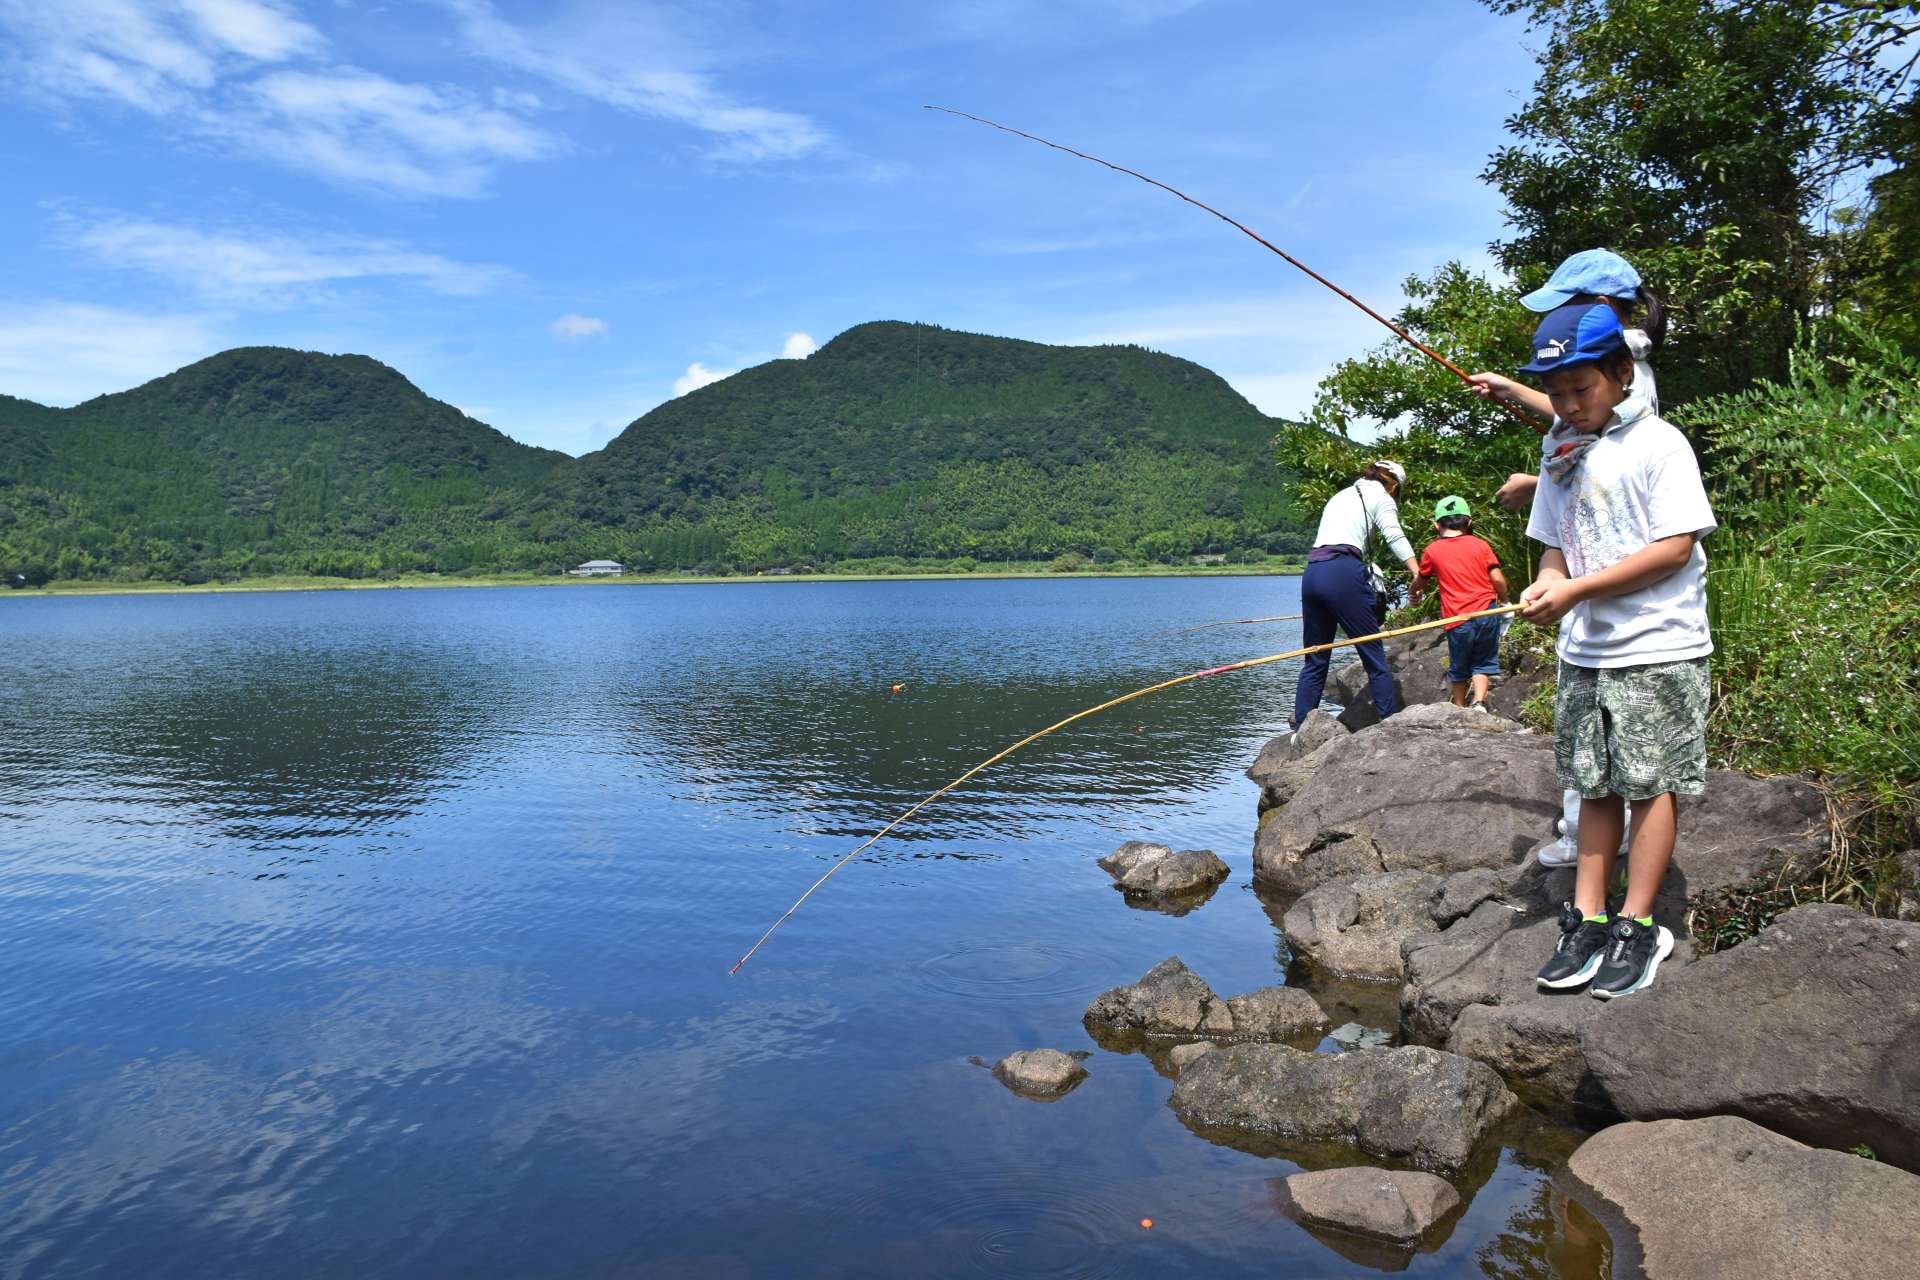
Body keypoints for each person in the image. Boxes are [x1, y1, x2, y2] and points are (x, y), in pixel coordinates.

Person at [1515, 301, 1715, 1001]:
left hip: (1659, 643)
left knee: (1650, 782)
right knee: (1593, 782)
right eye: (1558, 392)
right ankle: (1590, 916)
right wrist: (1547, 587)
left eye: (1583, 390)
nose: (1569, 405)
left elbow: (1675, 547)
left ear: (1623, 373)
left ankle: (1639, 924)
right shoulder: (1559, 450)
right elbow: (1551, 547)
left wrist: (1578, 590)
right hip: (1587, 650)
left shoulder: (1659, 444)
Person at [1466, 249, 1666, 512]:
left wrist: (1536, 485)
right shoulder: (1622, 367)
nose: (1557, 318)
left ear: (1602, 306)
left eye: (1564, 308)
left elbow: (1617, 464)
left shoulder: (1628, 373)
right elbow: (1584, 411)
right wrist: (1509, 389)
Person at [1292, 459, 1421, 729]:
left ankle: (1302, 729)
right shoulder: (1382, 496)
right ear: (1394, 485)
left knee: (1315, 657)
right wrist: (1417, 572)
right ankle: (1389, 723)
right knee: (1373, 654)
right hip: (1343, 572)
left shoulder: (1339, 496)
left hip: (1313, 572)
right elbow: (1394, 536)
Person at [1410, 496, 1509, 711]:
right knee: (1482, 660)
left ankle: (1459, 707)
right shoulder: (1481, 545)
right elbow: (1498, 578)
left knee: (1459, 664)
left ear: (1437, 525)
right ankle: (1480, 704)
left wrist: (1412, 592)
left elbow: (1421, 580)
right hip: (1486, 613)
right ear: (1469, 522)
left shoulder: (1432, 550)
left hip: (1457, 618)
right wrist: (1506, 602)